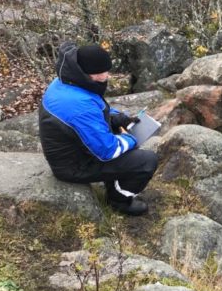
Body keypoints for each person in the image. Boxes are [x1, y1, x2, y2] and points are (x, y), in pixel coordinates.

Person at [39, 41, 158, 216]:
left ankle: (114, 179)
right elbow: (107, 151)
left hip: (75, 148)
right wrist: (133, 138)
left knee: (119, 135)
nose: (106, 76)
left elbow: (93, 111)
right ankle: (118, 201)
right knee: (147, 161)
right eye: (100, 73)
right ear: (85, 73)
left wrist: (117, 118)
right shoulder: (79, 105)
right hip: (74, 166)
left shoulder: (66, 81)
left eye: (106, 70)